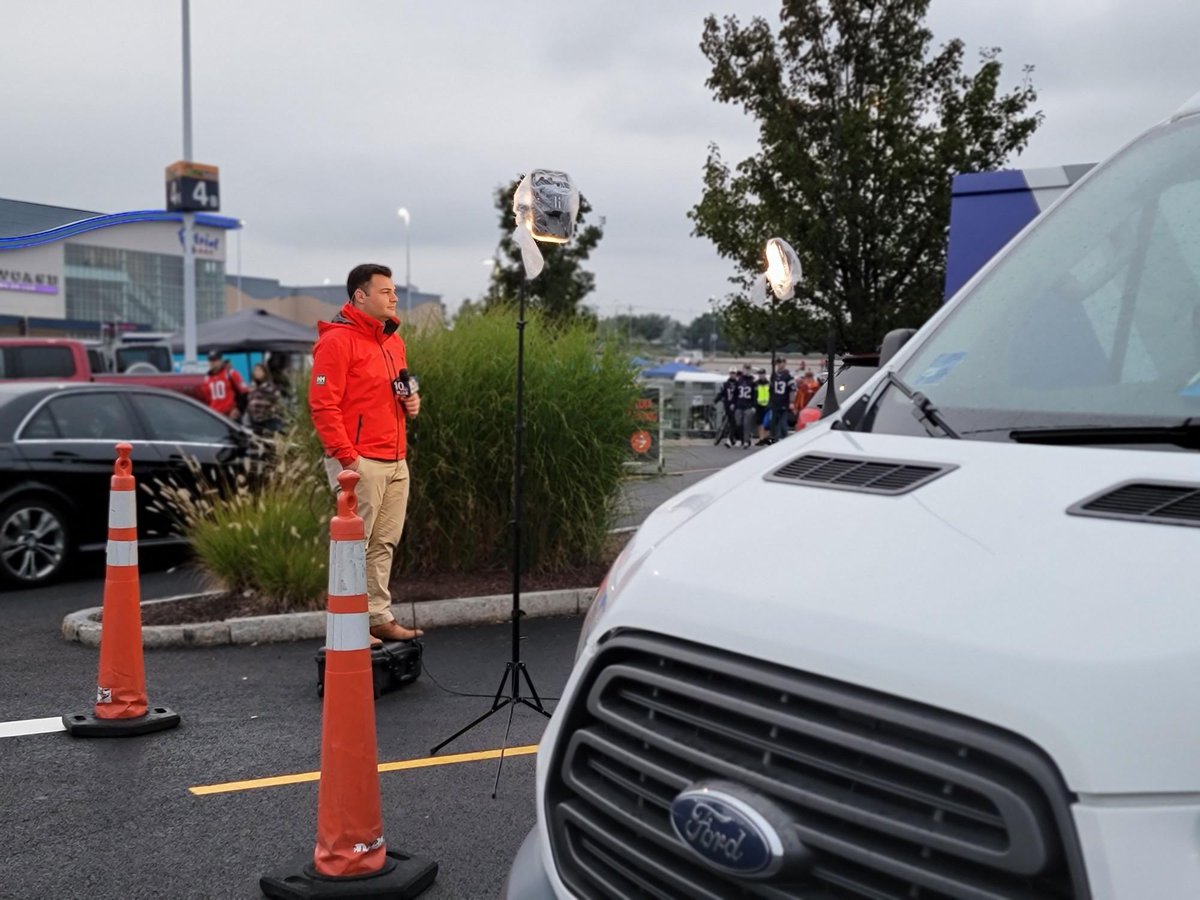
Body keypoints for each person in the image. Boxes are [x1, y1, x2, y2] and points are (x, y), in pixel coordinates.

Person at [309, 263, 423, 644]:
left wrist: (412, 400)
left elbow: (403, 383)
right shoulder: (337, 340)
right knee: (355, 546)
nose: (394, 297)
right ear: (360, 295)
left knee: (383, 543)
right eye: (385, 291)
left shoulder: (392, 339)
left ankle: (377, 616)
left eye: (394, 291)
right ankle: (352, 623)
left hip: (395, 458)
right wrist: (348, 460)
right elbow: (323, 406)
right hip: (360, 461)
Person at [203, 350, 247, 421]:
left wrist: (239, 409)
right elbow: (207, 399)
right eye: (210, 360)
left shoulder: (230, 373)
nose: (212, 363)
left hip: (229, 415)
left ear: (221, 360)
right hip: (215, 415)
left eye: (215, 360)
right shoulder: (207, 378)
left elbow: (244, 393)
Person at [245, 363, 284, 434]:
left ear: (265, 372)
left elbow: (278, 401)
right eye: (255, 370)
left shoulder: (270, 387)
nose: (257, 372)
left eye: (259, 370)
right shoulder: (252, 387)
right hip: (255, 421)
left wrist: (272, 410)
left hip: (268, 420)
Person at [768, 358, 796, 443]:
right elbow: (770, 389)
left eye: (781, 363)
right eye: (778, 363)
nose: (780, 365)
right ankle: (776, 438)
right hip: (775, 402)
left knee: (783, 423)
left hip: (784, 402)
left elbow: (792, 389)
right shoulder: (774, 375)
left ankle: (784, 439)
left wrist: (791, 402)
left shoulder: (788, 376)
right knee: (774, 422)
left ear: (784, 364)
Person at [734, 363, 756, 449]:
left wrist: (754, 406)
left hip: (748, 405)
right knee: (738, 422)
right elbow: (735, 393)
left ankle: (746, 441)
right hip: (739, 404)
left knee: (746, 423)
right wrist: (734, 403)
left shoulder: (752, 381)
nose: (746, 371)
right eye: (745, 369)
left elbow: (755, 394)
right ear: (743, 369)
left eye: (748, 369)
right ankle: (739, 439)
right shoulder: (739, 380)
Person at [718, 366, 738, 447]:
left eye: (734, 373)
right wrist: (716, 399)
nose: (732, 375)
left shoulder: (738, 384)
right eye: (731, 373)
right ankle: (732, 438)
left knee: (734, 422)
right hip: (727, 405)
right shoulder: (726, 384)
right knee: (730, 422)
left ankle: (730, 439)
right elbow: (722, 393)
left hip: (735, 406)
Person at [754, 367, 770, 443]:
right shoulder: (756, 384)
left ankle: (765, 437)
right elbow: (754, 395)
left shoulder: (769, 383)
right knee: (759, 422)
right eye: (760, 374)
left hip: (767, 405)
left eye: (762, 374)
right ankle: (761, 438)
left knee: (766, 422)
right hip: (759, 405)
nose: (761, 375)